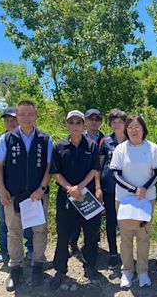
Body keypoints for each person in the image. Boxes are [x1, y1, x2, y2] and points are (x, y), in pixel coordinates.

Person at [0, 101, 53, 291]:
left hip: (38, 195)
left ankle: (38, 264)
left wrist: (42, 189)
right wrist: (2, 191)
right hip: (12, 195)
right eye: (22, 114)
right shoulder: (7, 139)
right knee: (14, 231)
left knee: (39, 231)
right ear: (17, 116)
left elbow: (48, 167)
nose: (26, 118)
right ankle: (16, 267)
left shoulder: (45, 139)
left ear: (36, 115)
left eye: (30, 114)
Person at [49, 110, 102, 290]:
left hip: (87, 198)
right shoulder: (59, 146)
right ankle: (60, 270)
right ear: (67, 125)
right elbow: (55, 173)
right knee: (63, 235)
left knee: (91, 235)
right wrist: (70, 189)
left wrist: (79, 188)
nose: (75, 125)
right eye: (71, 122)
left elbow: (95, 170)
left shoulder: (93, 146)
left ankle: (90, 265)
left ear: (83, 125)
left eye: (78, 122)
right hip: (66, 198)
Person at [110, 115, 157, 288]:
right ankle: (127, 271)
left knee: (143, 236)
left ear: (143, 129)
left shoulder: (152, 148)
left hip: (146, 199)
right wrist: (134, 189)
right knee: (125, 237)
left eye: (137, 127)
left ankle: (142, 271)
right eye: (130, 127)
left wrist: (144, 188)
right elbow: (115, 173)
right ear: (126, 130)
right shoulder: (120, 149)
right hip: (124, 199)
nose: (134, 130)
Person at [0, 107, 33, 263]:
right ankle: (4, 251)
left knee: (28, 220)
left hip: (24, 189)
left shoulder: (25, 138)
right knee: (4, 221)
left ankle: (30, 249)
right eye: (7, 120)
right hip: (3, 189)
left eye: (13, 119)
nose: (10, 123)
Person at [69, 108, 104, 255]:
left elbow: (98, 167)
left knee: (92, 218)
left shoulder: (104, 140)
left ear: (100, 122)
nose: (93, 122)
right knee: (74, 219)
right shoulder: (76, 136)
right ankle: (73, 243)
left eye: (97, 119)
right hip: (74, 186)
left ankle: (91, 247)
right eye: (91, 119)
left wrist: (98, 187)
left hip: (92, 184)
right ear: (86, 121)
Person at [99, 109, 127, 270]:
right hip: (109, 187)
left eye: (120, 122)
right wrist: (98, 186)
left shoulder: (131, 139)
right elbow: (99, 165)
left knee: (126, 223)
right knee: (111, 222)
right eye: (114, 122)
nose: (117, 125)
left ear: (125, 123)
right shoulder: (106, 141)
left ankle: (126, 253)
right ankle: (113, 254)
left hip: (127, 189)